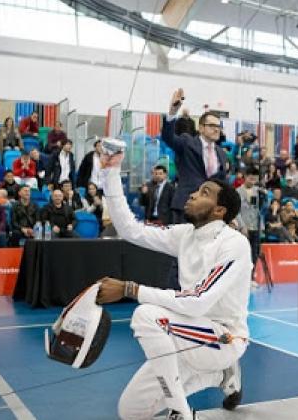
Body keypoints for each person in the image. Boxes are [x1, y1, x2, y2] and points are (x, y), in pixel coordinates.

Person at [95, 150, 249, 420]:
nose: (192, 194)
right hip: (185, 333)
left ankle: (180, 412)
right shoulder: (185, 235)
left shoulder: (233, 243)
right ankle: (221, 375)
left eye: (204, 193)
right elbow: (131, 229)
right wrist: (111, 171)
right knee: (130, 411)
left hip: (224, 338)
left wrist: (130, 289)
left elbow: (199, 300)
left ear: (219, 210)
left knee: (147, 315)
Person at [160, 89, 228, 224]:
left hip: (209, 213)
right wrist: (173, 112)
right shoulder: (187, 142)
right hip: (186, 207)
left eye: (218, 126)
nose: (216, 129)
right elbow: (168, 137)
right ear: (201, 128)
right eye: (212, 125)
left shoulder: (221, 153)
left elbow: (222, 186)